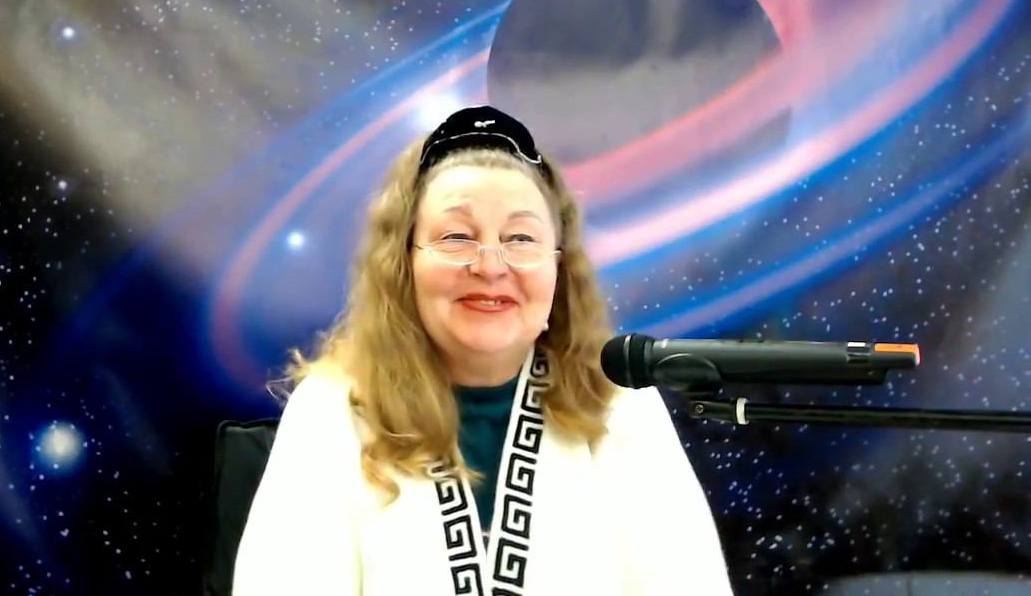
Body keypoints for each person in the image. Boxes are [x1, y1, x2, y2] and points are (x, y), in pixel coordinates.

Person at [232, 105, 733, 595]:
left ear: (559, 269)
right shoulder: (333, 409)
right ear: (403, 264)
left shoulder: (619, 404)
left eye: (520, 238)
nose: (491, 267)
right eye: (456, 237)